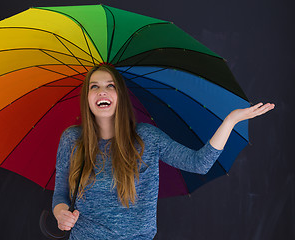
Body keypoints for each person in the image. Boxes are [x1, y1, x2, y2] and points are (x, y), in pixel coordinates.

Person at [52, 64, 275, 239]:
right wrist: (60, 213)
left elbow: (199, 163)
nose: (102, 91)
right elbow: (60, 195)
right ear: (87, 98)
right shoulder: (72, 140)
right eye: (94, 86)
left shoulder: (146, 138)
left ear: (120, 95)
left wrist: (231, 120)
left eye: (110, 85)